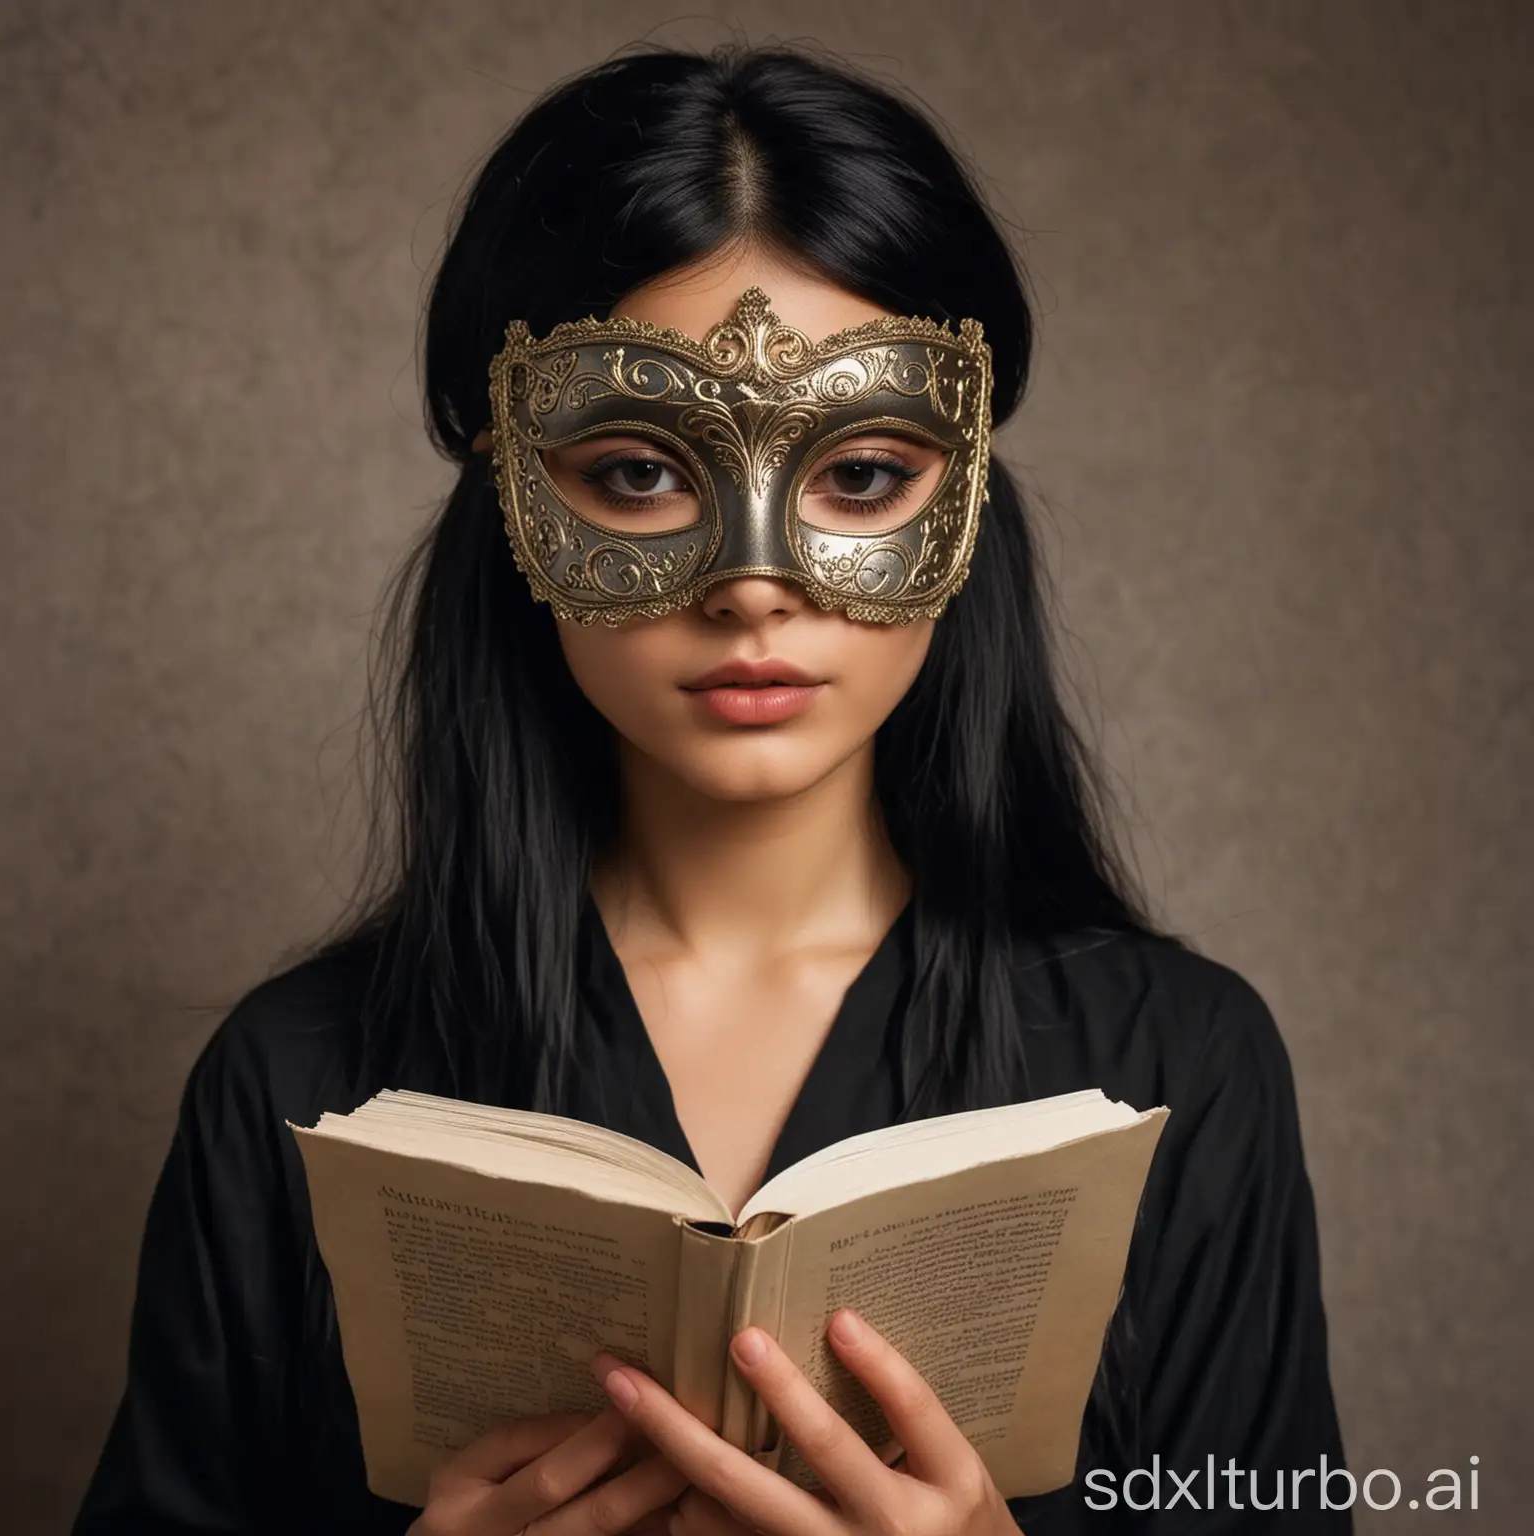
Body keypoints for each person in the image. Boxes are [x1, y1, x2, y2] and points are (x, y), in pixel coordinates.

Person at [73, 42, 1350, 1536]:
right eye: (639, 473)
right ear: (513, 498)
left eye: (861, 476)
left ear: (965, 486)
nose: (756, 583)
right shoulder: (296, 1084)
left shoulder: (1181, 1067)